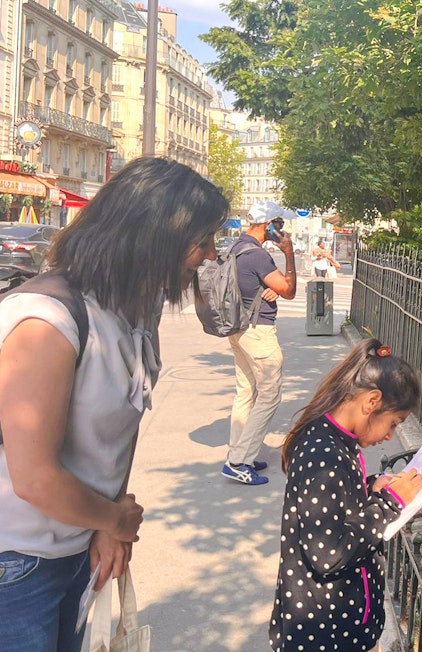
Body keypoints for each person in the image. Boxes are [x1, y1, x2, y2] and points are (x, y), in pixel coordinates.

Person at [0, 157, 229, 651]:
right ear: (152, 234)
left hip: (75, 545)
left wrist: (107, 523)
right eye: (202, 239)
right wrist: (112, 519)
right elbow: (35, 479)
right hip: (16, 563)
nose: (209, 255)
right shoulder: (46, 320)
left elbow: (120, 431)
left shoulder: (131, 310)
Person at [269, 338, 422, 652]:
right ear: (371, 401)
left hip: (343, 628)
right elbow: (328, 554)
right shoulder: (323, 455)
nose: (389, 436)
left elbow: (337, 506)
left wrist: (370, 488)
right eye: (392, 423)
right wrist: (389, 504)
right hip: (327, 636)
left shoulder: (336, 442)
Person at [222, 201, 298, 485]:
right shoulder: (258, 256)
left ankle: (241, 452)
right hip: (258, 331)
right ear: (268, 225)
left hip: (238, 328)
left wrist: (268, 289)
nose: (282, 229)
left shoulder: (236, 247)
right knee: (269, 396)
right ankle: (239, 461)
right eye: (279, 224)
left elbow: (251, 285)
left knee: (246, 392)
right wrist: (288, 254)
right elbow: (289, 290)